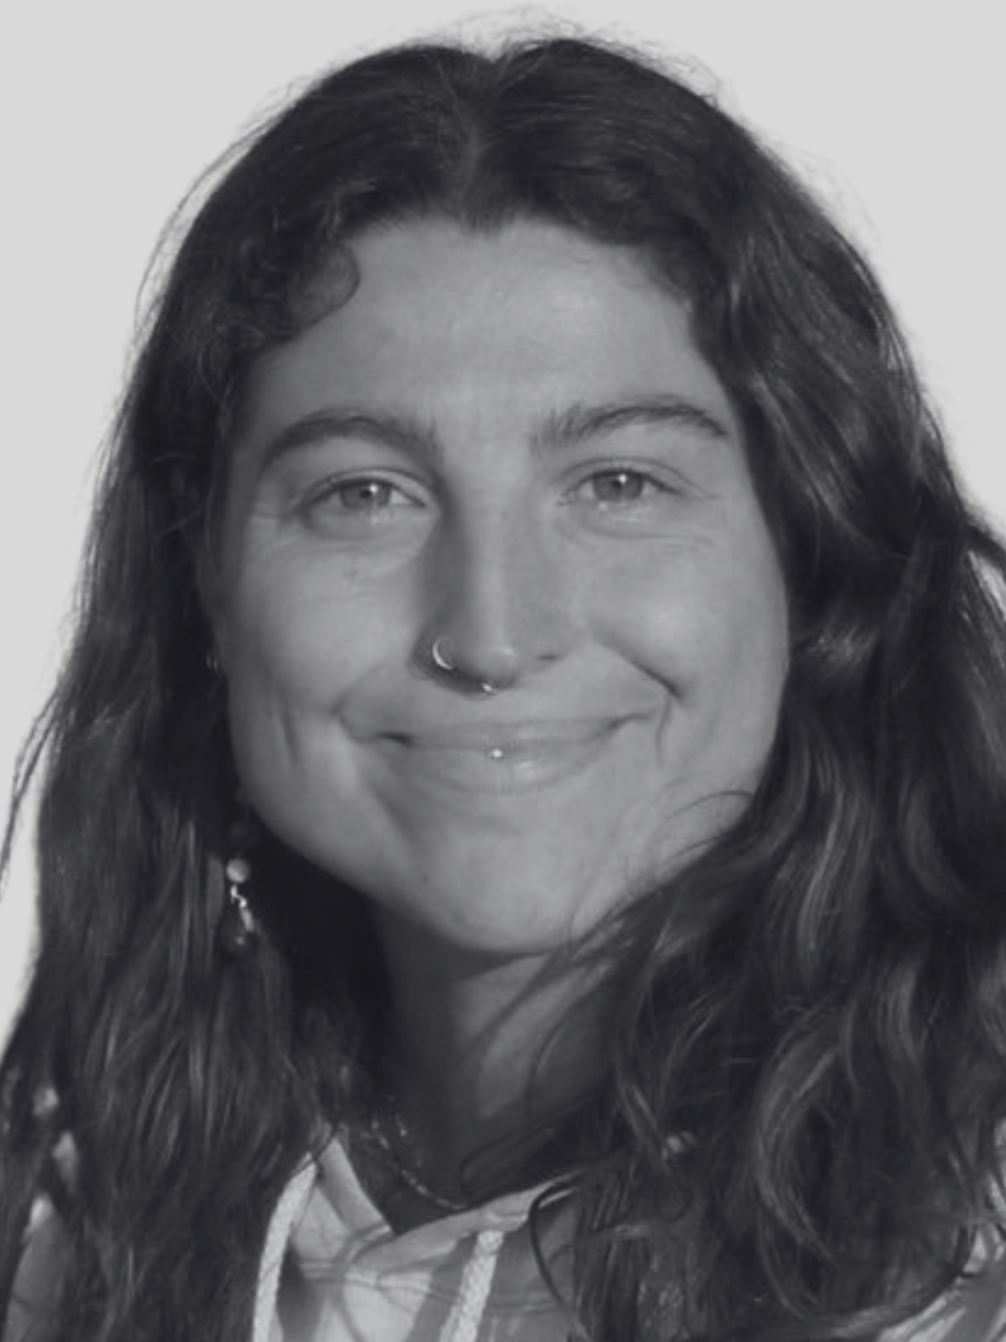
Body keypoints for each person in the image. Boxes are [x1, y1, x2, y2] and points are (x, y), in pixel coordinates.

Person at [3, 29, 1006, 1342]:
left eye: (618, 483)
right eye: (365, 493)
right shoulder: (73, 1243)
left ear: (809, 553)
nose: (489, 632)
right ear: (209, 585)